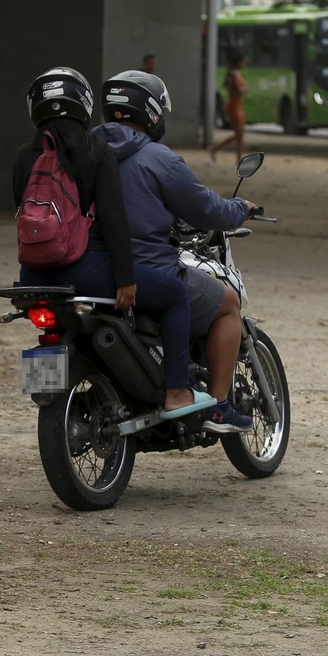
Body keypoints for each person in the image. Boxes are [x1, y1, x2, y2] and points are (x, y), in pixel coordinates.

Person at [11, 67, 196, 408]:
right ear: (84, 105)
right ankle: (177, 391)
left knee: (47, 331)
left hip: (33, 276)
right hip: (87, 270)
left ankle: (46, 395)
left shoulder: (24, 156)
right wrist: (125, 279)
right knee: (175, 296)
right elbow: (113, 220)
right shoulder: (96, 151)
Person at [93, 69, 257, 433]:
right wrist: (239, 209)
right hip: (149, 268)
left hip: (93, 271)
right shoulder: (159, 158)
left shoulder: (85, 152)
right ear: (151, 113)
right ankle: (217, 406)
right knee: (228, 304)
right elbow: (205, 208)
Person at [209, 52, 248, 165]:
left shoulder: (232, 73)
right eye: (244, 61)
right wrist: (245, 88)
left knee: (239, 134)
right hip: (235, 105)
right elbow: (240, 90)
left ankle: (236, 158)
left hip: (235, 104)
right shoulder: (235, 74)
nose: (245, 64)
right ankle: (217, 150)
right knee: (239, 134)